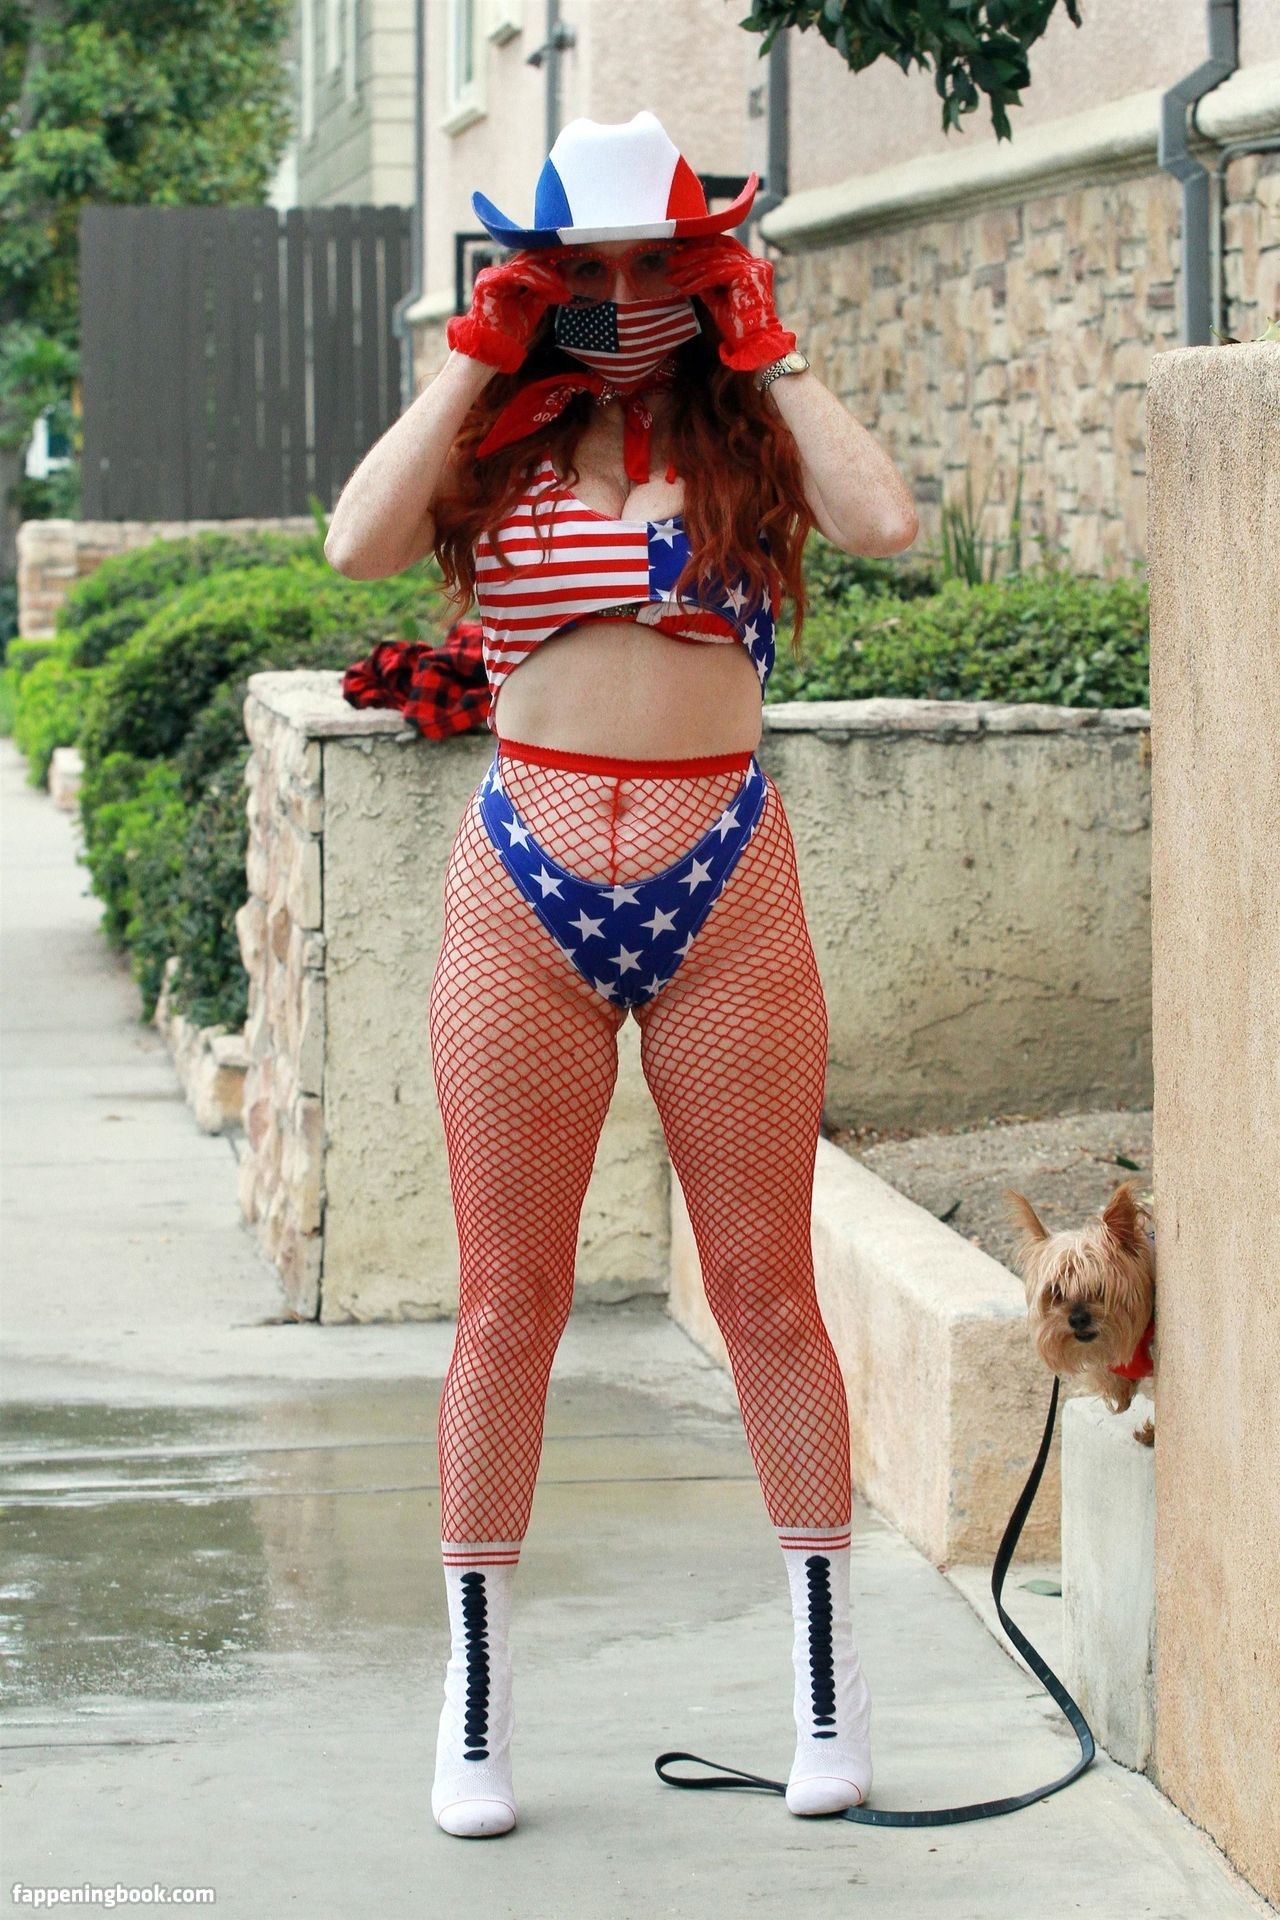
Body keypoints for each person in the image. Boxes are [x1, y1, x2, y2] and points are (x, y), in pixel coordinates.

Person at [326, 110, 918, 1840]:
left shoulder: (748, 434)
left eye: (663, 258)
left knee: (768, 1293)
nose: (627, 291)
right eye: (589, 267)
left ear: (711, 261)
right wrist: (478, 349)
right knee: (506, 1300)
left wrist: (765, 340)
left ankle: (826, 1691)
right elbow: (358, 544)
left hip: (723, 873)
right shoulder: (497, 440)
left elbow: (884, 519)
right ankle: (475, 1710)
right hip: (521, 884)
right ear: (537, 273)